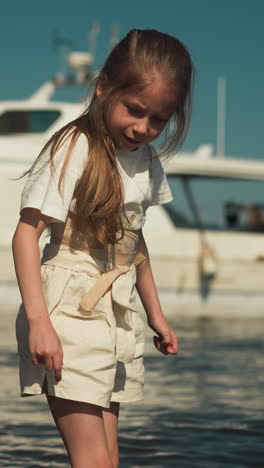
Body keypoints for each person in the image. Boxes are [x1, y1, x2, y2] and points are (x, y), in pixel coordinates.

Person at [13, 29, 193, 468]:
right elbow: (25, 234)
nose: (143, 128)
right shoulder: (77, 146)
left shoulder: (145, 160)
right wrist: (39, 322)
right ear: (103, 88)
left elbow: (136, 243)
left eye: (158, 120)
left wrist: (156, 314)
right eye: (135, 111)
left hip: (116, 314)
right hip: (68, 312)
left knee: (108, 459)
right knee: (92, 459)